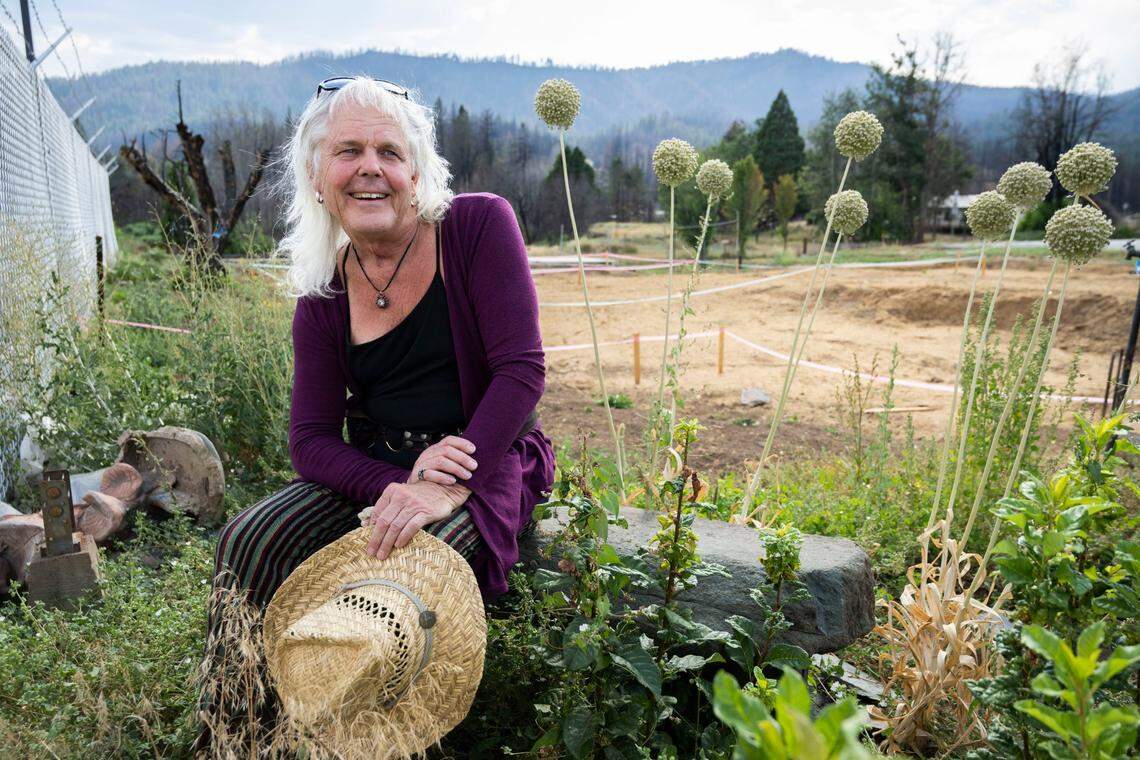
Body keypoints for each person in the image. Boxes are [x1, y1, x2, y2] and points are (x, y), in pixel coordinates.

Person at [194, 75, 554, 755]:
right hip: (382, 469)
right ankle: (237, 733)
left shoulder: (477, 225)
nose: (370, 168)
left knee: (404, 579)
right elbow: (310, 442)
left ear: (417, 173)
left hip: (485, 456)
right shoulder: (322, 293)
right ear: (318, 178)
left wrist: (447, 483)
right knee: (246, 541)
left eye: (389, 151)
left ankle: (377, 744)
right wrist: (393, 488)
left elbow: (521, 372)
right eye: (347, 151)